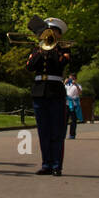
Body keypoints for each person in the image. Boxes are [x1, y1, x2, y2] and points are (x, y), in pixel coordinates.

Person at [27, 19, 73, 175]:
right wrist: (41, 51)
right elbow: (30, 66)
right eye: (48, 31)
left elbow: (61, 63)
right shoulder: (36, 49)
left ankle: (56, 165)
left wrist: (53, 49)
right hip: (39, 91)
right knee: (43, 131)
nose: (50, 34)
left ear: (59, 34)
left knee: (57, 131)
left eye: (54, 32)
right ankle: (46, 163)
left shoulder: (64, 49)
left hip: (55, 91)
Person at [65, 73, 83, 140]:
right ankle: (62, 134)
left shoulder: (78, 85)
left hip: (74, 104)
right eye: (70, 79)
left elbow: (80, 93)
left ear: (75, 79)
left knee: (73, 120)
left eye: (72, 79)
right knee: (64, 120)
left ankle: (72, 134)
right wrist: (64, 83)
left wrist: (75, 84)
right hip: (67, 104)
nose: (71, 80)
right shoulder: (66, 85)